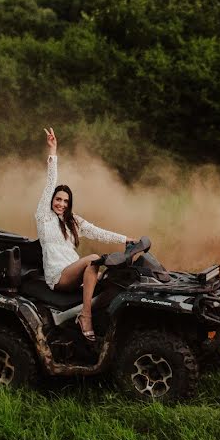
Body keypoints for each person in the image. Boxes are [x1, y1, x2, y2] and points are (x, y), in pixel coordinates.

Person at [35, 127, 133, 341]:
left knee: (112, 281)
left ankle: (107, 326)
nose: (61, 204)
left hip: (73, 271)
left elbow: (98, 233)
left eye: (65, 201)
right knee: (94, 259)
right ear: (51, 200)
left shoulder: (72, 221)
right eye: (58, 199)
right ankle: (84, 316)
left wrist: (126, 240)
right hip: (58, 276)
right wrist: (53, 150)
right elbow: (51, 181)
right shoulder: (44, 216)